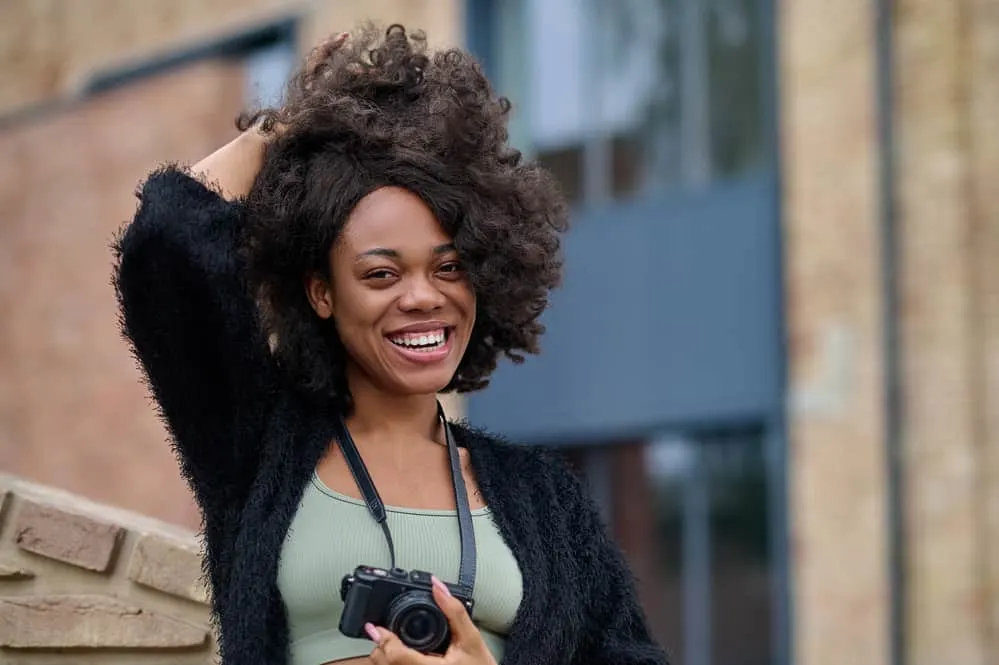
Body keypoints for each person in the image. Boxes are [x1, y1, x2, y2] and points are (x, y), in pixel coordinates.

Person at [113, 24, 668, 665]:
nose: (423, 297)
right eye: (381, 274)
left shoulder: (545, 498)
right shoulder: (256, 446)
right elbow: (167, 241)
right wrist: (300, 130)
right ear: (321, 293)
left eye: (449, 267)